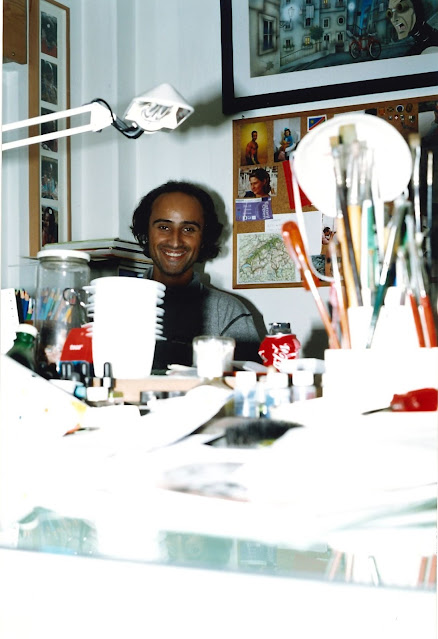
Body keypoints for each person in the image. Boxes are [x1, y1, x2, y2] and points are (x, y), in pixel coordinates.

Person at [131, 180, 263, 371]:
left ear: (203, 239)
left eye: (188, 229)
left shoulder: (228, 313)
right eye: (164, 227)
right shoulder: (114, 305)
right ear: (146, 232)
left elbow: (248, 382)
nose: (175, 241)